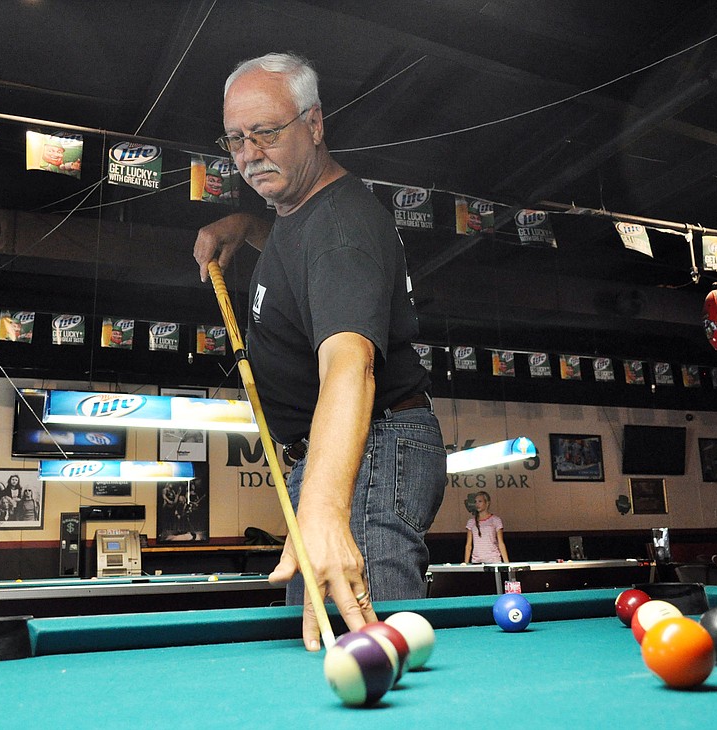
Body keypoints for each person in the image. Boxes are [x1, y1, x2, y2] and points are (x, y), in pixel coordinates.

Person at [193, 52, 445, 651]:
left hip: (370, 451)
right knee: (323, 644)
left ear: (315, 124)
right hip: (349, 457)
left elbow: (348, 365)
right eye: (235, 139)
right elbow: (289, 240)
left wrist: (326, 510)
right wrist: (240, 225)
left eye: (266, 133)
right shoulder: (302, 213)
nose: (249, 154)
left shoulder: (340, 233)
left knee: (364, 648)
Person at [463, 491, 508, 564]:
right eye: (475, 502)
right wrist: (466, 564)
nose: (477, 504)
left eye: (480, 501)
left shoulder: (495, 520)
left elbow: (501, 543)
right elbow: (468, 545)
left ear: (487, 503)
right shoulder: (471, 522)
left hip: (493, 560)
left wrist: (507, 563)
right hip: (476, 561)